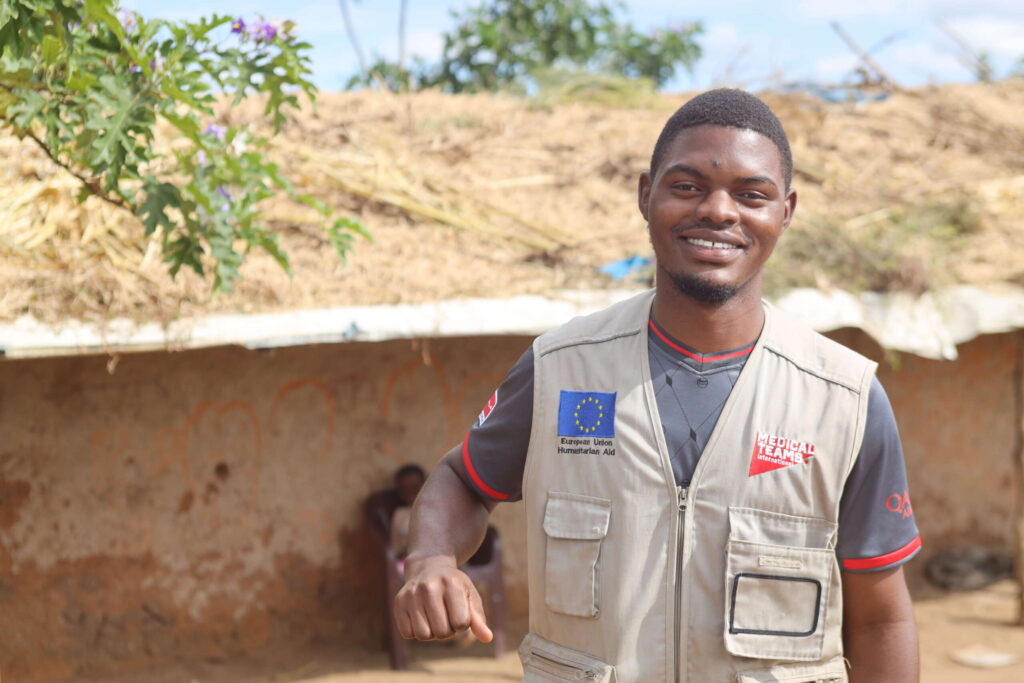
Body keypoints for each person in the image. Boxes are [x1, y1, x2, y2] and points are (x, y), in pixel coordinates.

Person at [394, 89, 921, 682]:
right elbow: (463, 478)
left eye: (752, 195)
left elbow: (881, 620)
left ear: (786, 212)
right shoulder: (561, 368)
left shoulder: (843, 398)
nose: (719, 212)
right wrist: (431, 558)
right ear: (647, 195)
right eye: (688, 186)